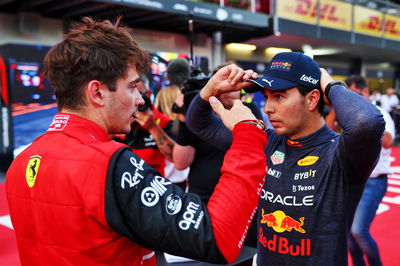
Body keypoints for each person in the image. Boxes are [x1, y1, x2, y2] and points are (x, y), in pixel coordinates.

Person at [5, 17, 268, 265]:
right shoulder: (108, 163)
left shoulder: (23, 160)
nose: (140, 100)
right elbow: (218, 238)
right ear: (97, 92)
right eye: (131, 87)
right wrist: (247, 133)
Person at [185, 52, 385, 265]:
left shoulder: (341, 152)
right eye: (267, 96)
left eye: (279, 96)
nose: (268, 108)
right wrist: (211, 87)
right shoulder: (266, 141)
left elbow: (367, 122)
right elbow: (199, 123)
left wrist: (330, 85)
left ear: (312, 99)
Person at [345, 76, 395, 266]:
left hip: (374, 181)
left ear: (365, 92)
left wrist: (366, 119)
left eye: (353, 94)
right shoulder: (346, 112)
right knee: (347, 231)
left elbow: (389, 141)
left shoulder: (379, 112)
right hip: (352, 180)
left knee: (358, 230)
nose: (349, 99)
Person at [116, 75, 175, 176]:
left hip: (152, 182)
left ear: (148, 94)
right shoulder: (116, 120)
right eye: (131, 93)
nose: (137, 100)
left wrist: (153, 127)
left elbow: (175, 158)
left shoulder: (163, 122)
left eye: (140, 94)